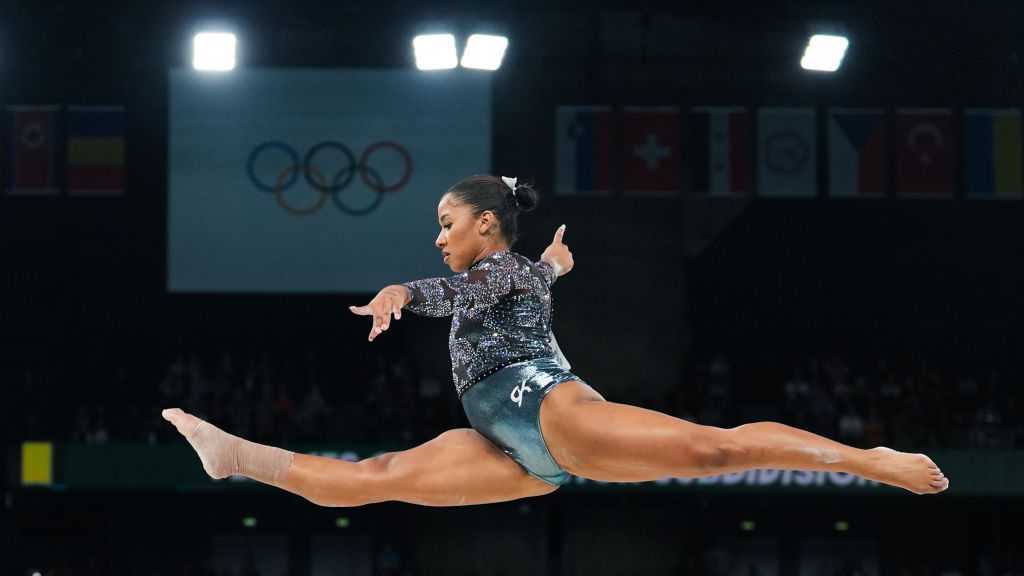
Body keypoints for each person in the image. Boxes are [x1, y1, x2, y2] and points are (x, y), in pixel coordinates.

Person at [163, 174, 949, 507]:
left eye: (445, 224)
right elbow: (519, 286)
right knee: (378, 477)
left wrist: (404, 292)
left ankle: (864, 461)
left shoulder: (496, 268)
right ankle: (240, 459)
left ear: (486, 224)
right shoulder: (522, 272)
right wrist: (552, 267)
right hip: (513, 449)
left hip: (542, 405)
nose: (437, 238)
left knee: (714, 451)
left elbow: (464, 289)